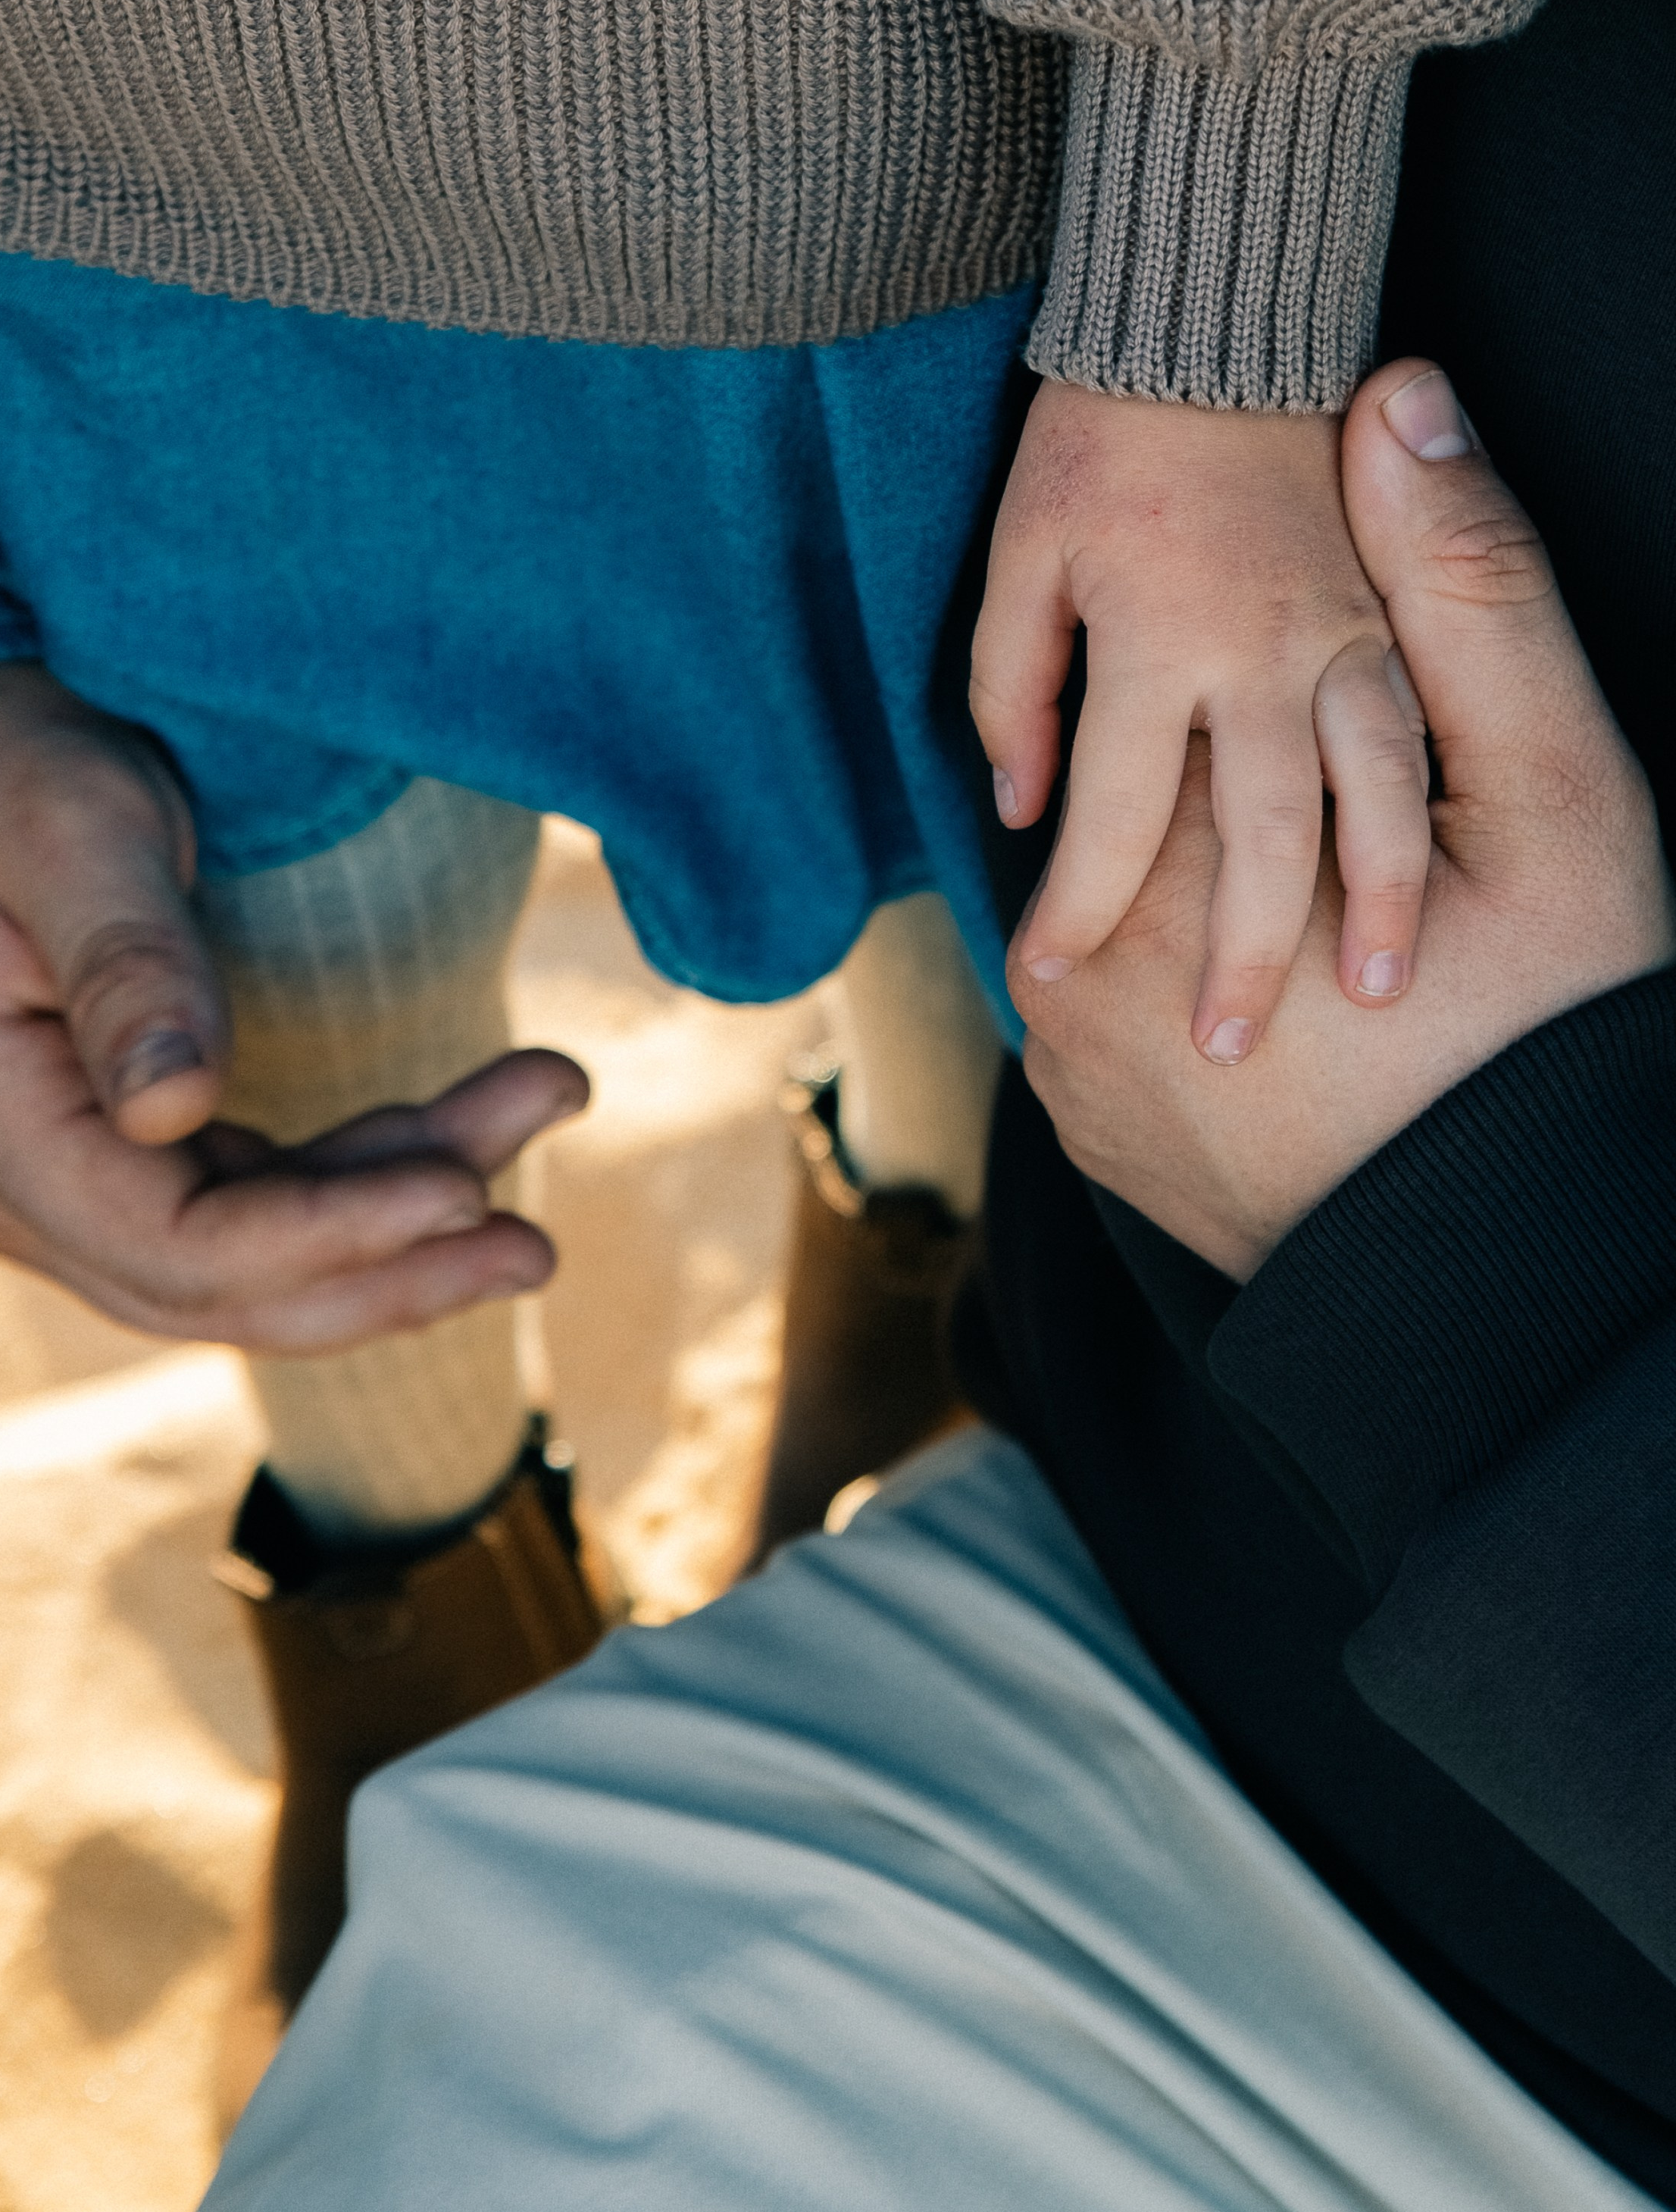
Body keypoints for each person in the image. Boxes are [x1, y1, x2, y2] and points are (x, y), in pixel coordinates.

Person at [0, 0, 1587, 2113]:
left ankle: (930, 1306)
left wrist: (1220, 230)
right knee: (265, 1092)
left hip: (976, 155)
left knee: (1072, 969)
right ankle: (414, 1608)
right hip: (74, 230)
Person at [196, 368, 1676, 2210]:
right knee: (955, 691)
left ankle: (854, 1343)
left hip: (1504, 1947)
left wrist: (1488, 1278)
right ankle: (505, 1549)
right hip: (1183, 1419)